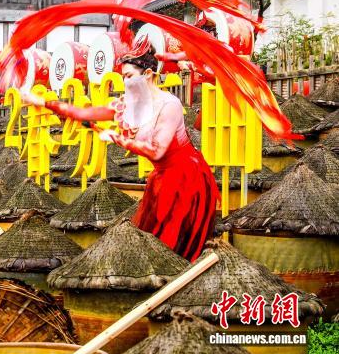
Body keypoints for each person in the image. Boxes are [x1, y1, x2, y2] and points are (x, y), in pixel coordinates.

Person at [23, 46, 218, 262]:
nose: (125, 82)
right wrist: (43, 102)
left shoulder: (169, 105)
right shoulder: (128, 105)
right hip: (162, 178)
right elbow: (84, 112)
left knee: (175, 246)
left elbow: (157, 151)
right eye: (123, 76)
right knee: (154, 246)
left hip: (187, 177)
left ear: (148, 74)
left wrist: (116, 137)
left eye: (129, 76)